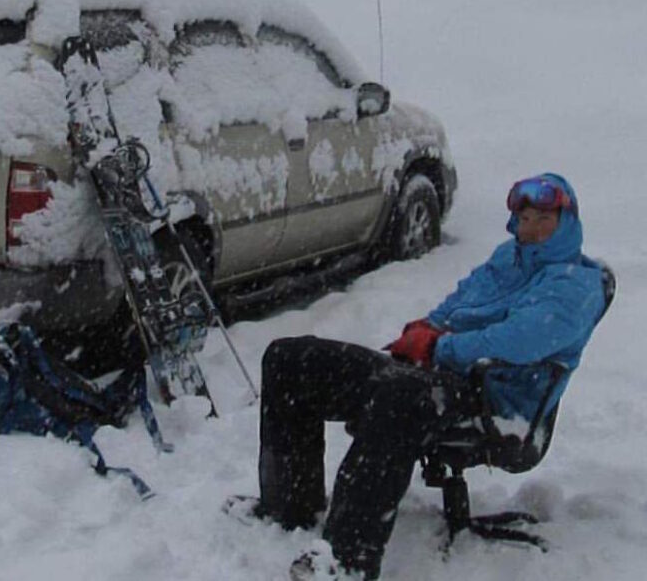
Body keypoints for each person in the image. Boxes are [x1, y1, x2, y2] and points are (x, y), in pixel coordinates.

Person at [253, 173, 606, 580]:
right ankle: (289, 508)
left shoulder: (576, 285)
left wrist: (439, 347)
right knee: (290, 358)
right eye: (524, 219)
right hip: (437, 376)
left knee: (398, 398)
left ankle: (347, 561)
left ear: (568, 222)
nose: (531, 228)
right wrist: (423, 329)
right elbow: (456, 304)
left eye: (544, 219)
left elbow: (517, 341)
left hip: (491, 401)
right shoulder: (506, 259)